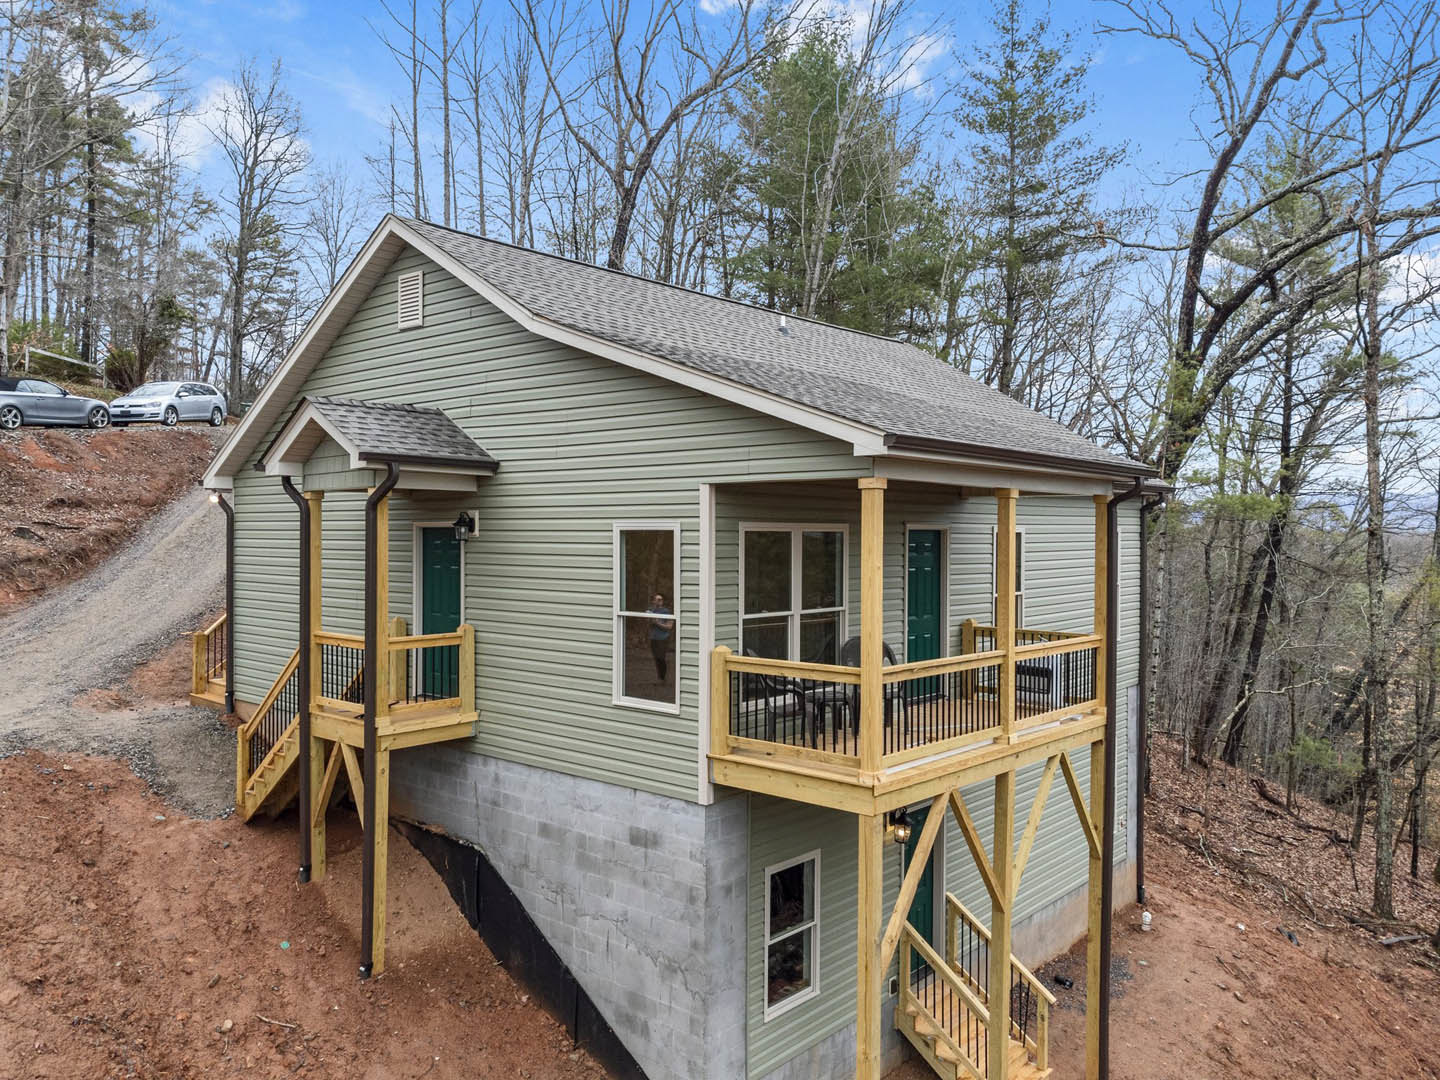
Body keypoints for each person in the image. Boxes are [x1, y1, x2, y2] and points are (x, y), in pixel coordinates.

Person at [647, 593, 674, 682]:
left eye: (661, 599)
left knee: (661, 658)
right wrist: (649, 618)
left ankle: (663, 678)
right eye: (658, 599)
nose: (660, 601)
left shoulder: (666, 611)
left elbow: (669, 627)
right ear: (653, 601)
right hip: (653, 638)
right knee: (656, 658)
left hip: (663, 638)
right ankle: (659, 678)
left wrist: (657, 622)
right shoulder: (651, 611)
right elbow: (648, 624)